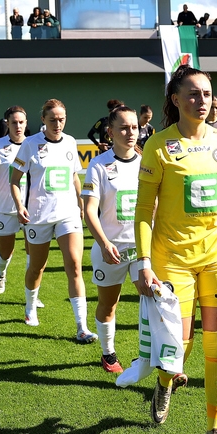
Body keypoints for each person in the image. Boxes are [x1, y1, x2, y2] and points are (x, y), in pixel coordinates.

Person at [131, 65, 217, 434]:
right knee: (178, 347)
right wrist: (144, 262)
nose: (203, 101)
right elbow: (145, 210)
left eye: (208, 94)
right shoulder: (158, 145)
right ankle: (166, 382)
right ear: (176, 100)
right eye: (194, 94)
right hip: (173, 260)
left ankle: (214, 432)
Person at [10, 99, 96, 343]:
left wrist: (80, 202)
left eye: (61, 119)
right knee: (37, 267)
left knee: (75, 266)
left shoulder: (70, 142)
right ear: (43, 121)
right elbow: (14, 180)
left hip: (68, 214)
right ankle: (30, 306)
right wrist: (19, 206)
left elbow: (74, 177)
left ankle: (82, 327)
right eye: (52, 120)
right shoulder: (29, 144)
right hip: (38, 217)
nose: (58, 124)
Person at [82, 106, 143, 373]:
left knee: (153, 300)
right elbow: (88, 211)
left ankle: (150, 355)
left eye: (134, 127)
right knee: (109, 305)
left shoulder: (147, 162)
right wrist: (105, 244)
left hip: (142, 248)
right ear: (111, 131)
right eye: (124, 127)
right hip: (110, 250)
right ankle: (108, 354)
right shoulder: (98, 164)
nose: (131, 133)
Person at [0, 105, 30, 295]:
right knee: (6, 252)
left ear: (26, 123)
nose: (18, 126)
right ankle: (1, 274)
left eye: (21, 122)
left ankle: (31, 293)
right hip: (4, 207)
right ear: (7, 124)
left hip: (31, 208)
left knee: (32, 253)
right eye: (14, 123)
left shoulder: (34, 145)